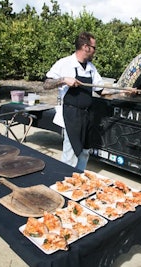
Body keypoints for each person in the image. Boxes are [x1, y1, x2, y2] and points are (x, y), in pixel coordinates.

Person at [43, 32, 115, 171]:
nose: (95, 51)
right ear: (85, 47)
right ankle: (64, 181)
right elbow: (46, 84)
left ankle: (79, 178)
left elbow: (101, 90)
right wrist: (63, 79)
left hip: (87, 115)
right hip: (71, 115)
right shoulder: (65, 63)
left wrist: (123, 91)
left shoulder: (91, 68)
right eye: (94, 48)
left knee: (85, 151)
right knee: (71, 153)